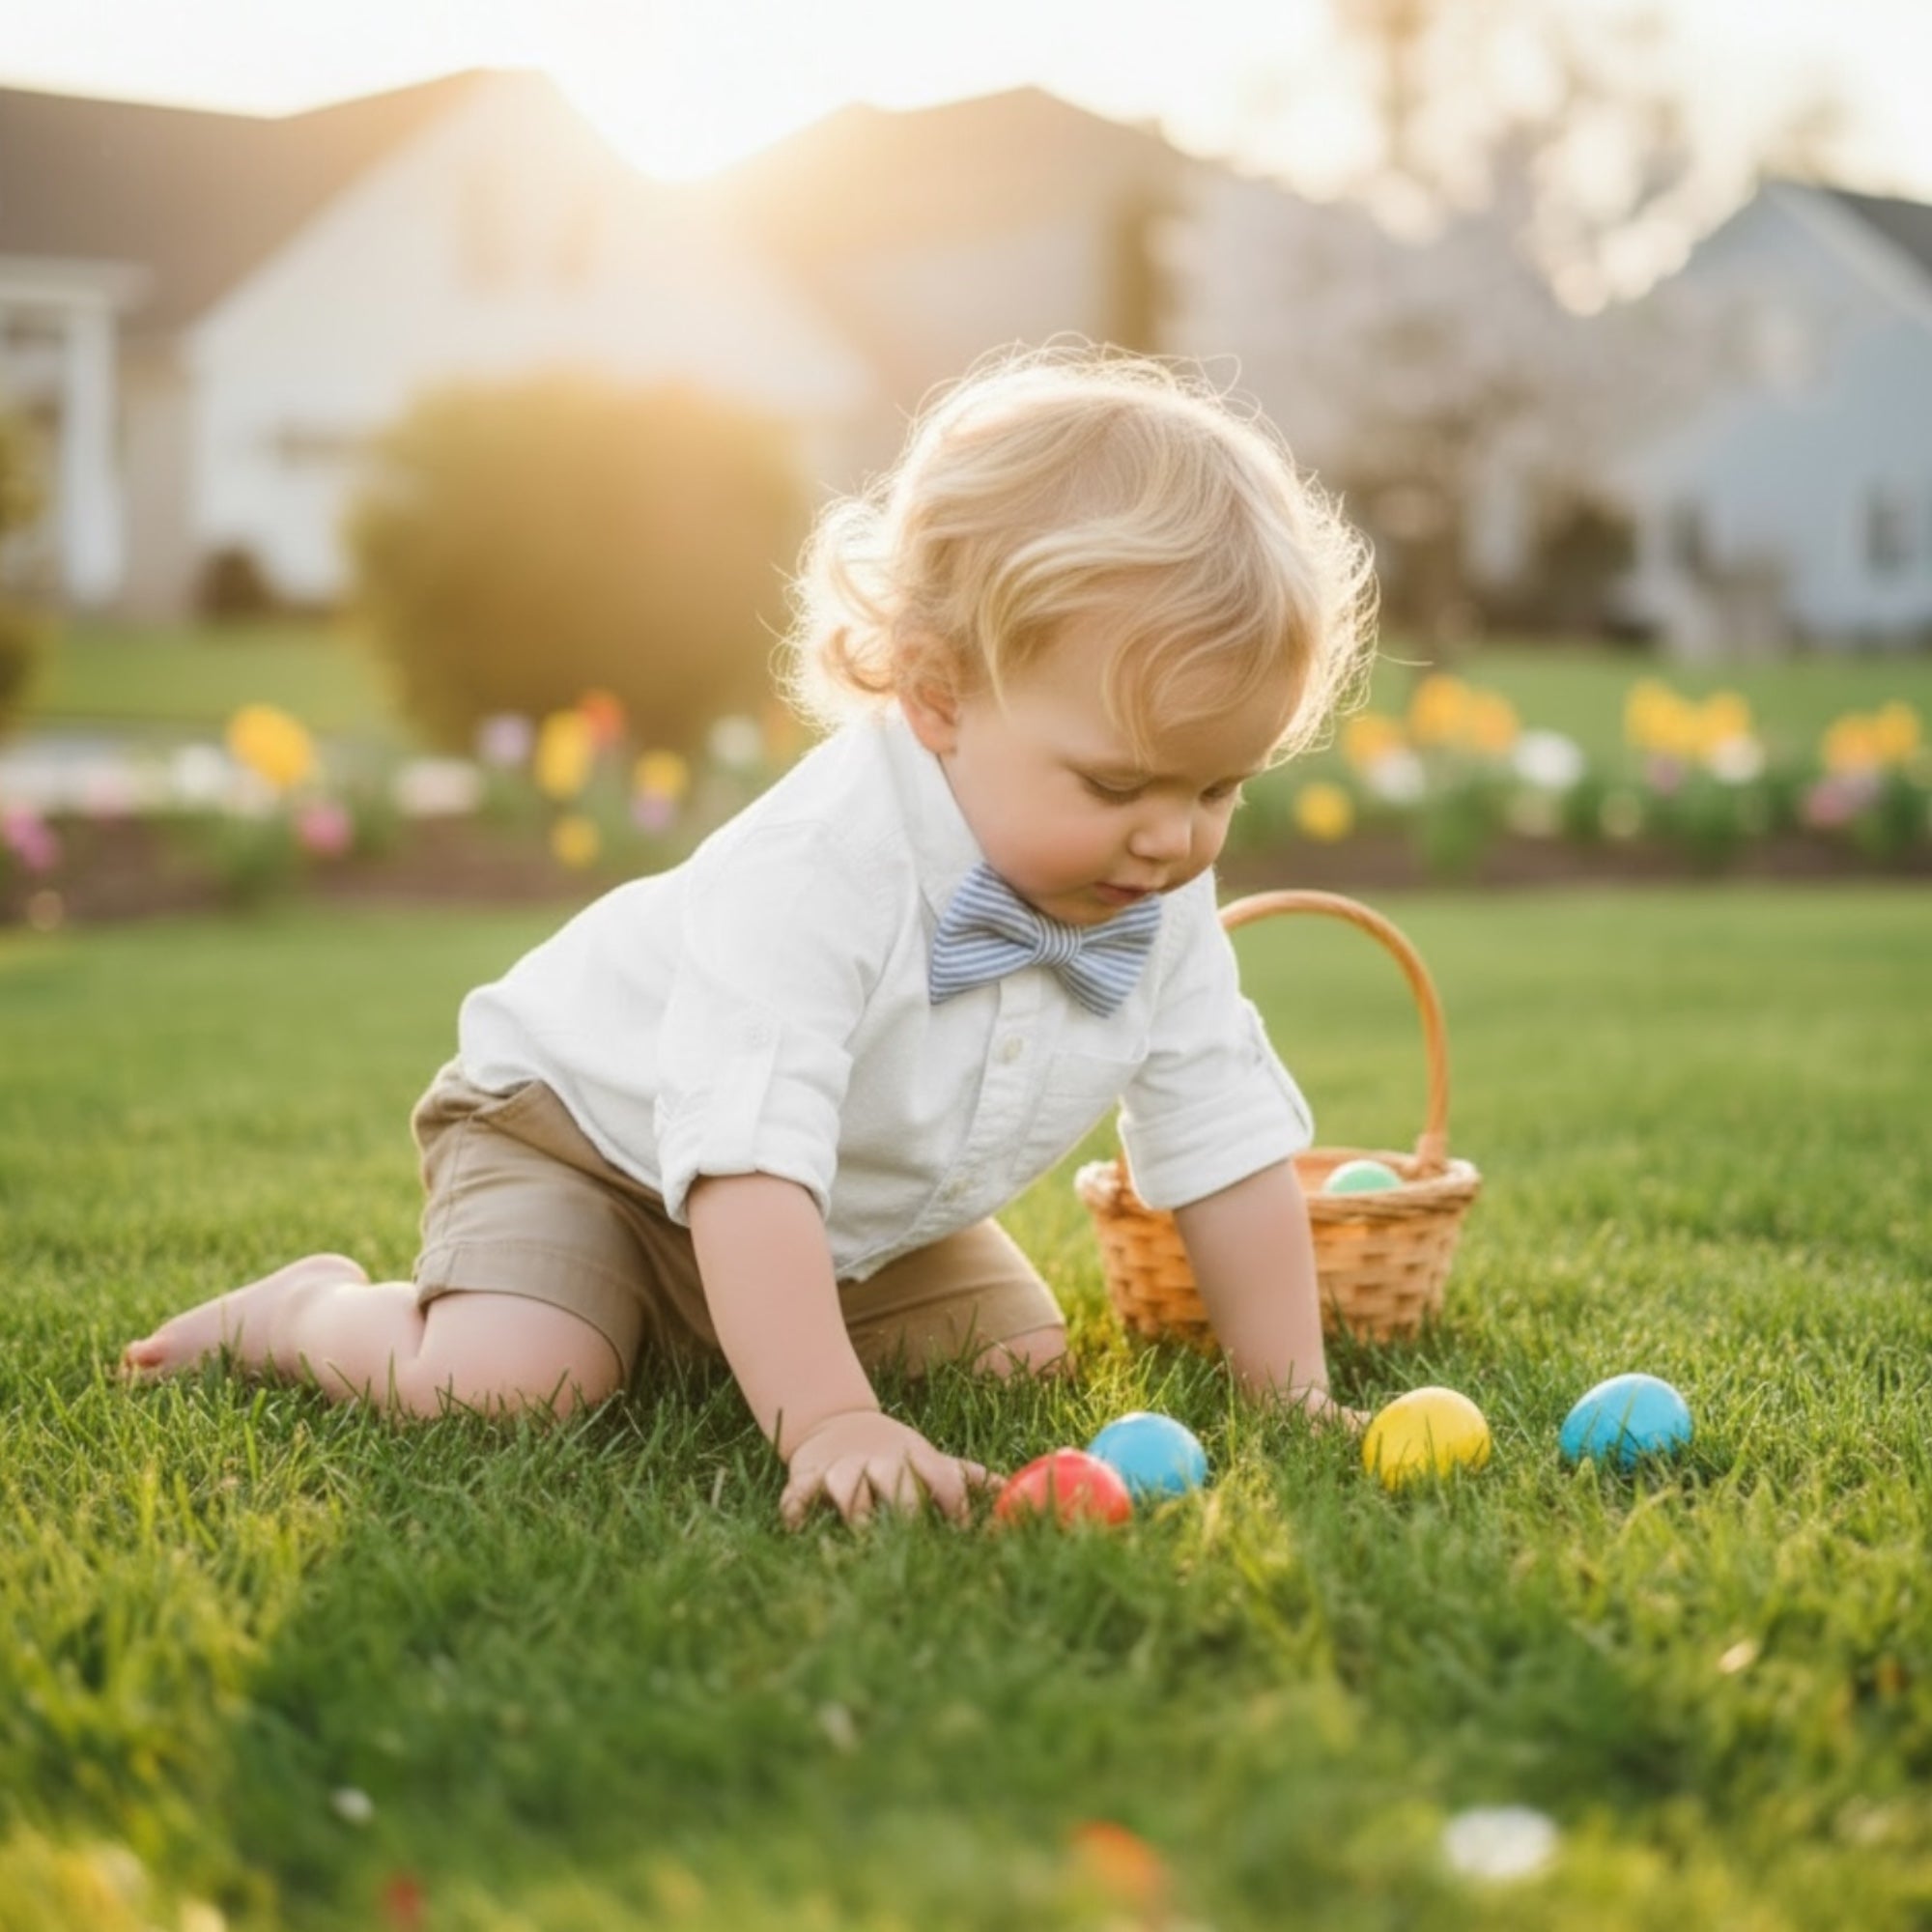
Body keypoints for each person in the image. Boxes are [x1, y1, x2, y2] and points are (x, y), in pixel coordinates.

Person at [122, 348, 1377, 1527]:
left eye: (1218, 790)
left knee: (1010, 1359)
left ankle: (701, 1327)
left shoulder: (1147, 890)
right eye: (1118, 787)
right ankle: (307, 1315)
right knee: (519, 1383)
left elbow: (1219, 1133)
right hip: (584, 1137)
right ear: (939, 696)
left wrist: (1294, 1393)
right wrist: (829, 1423)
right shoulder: (820, 871)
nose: (1174, 841)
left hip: (833, 1206)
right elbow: (749, 1161)